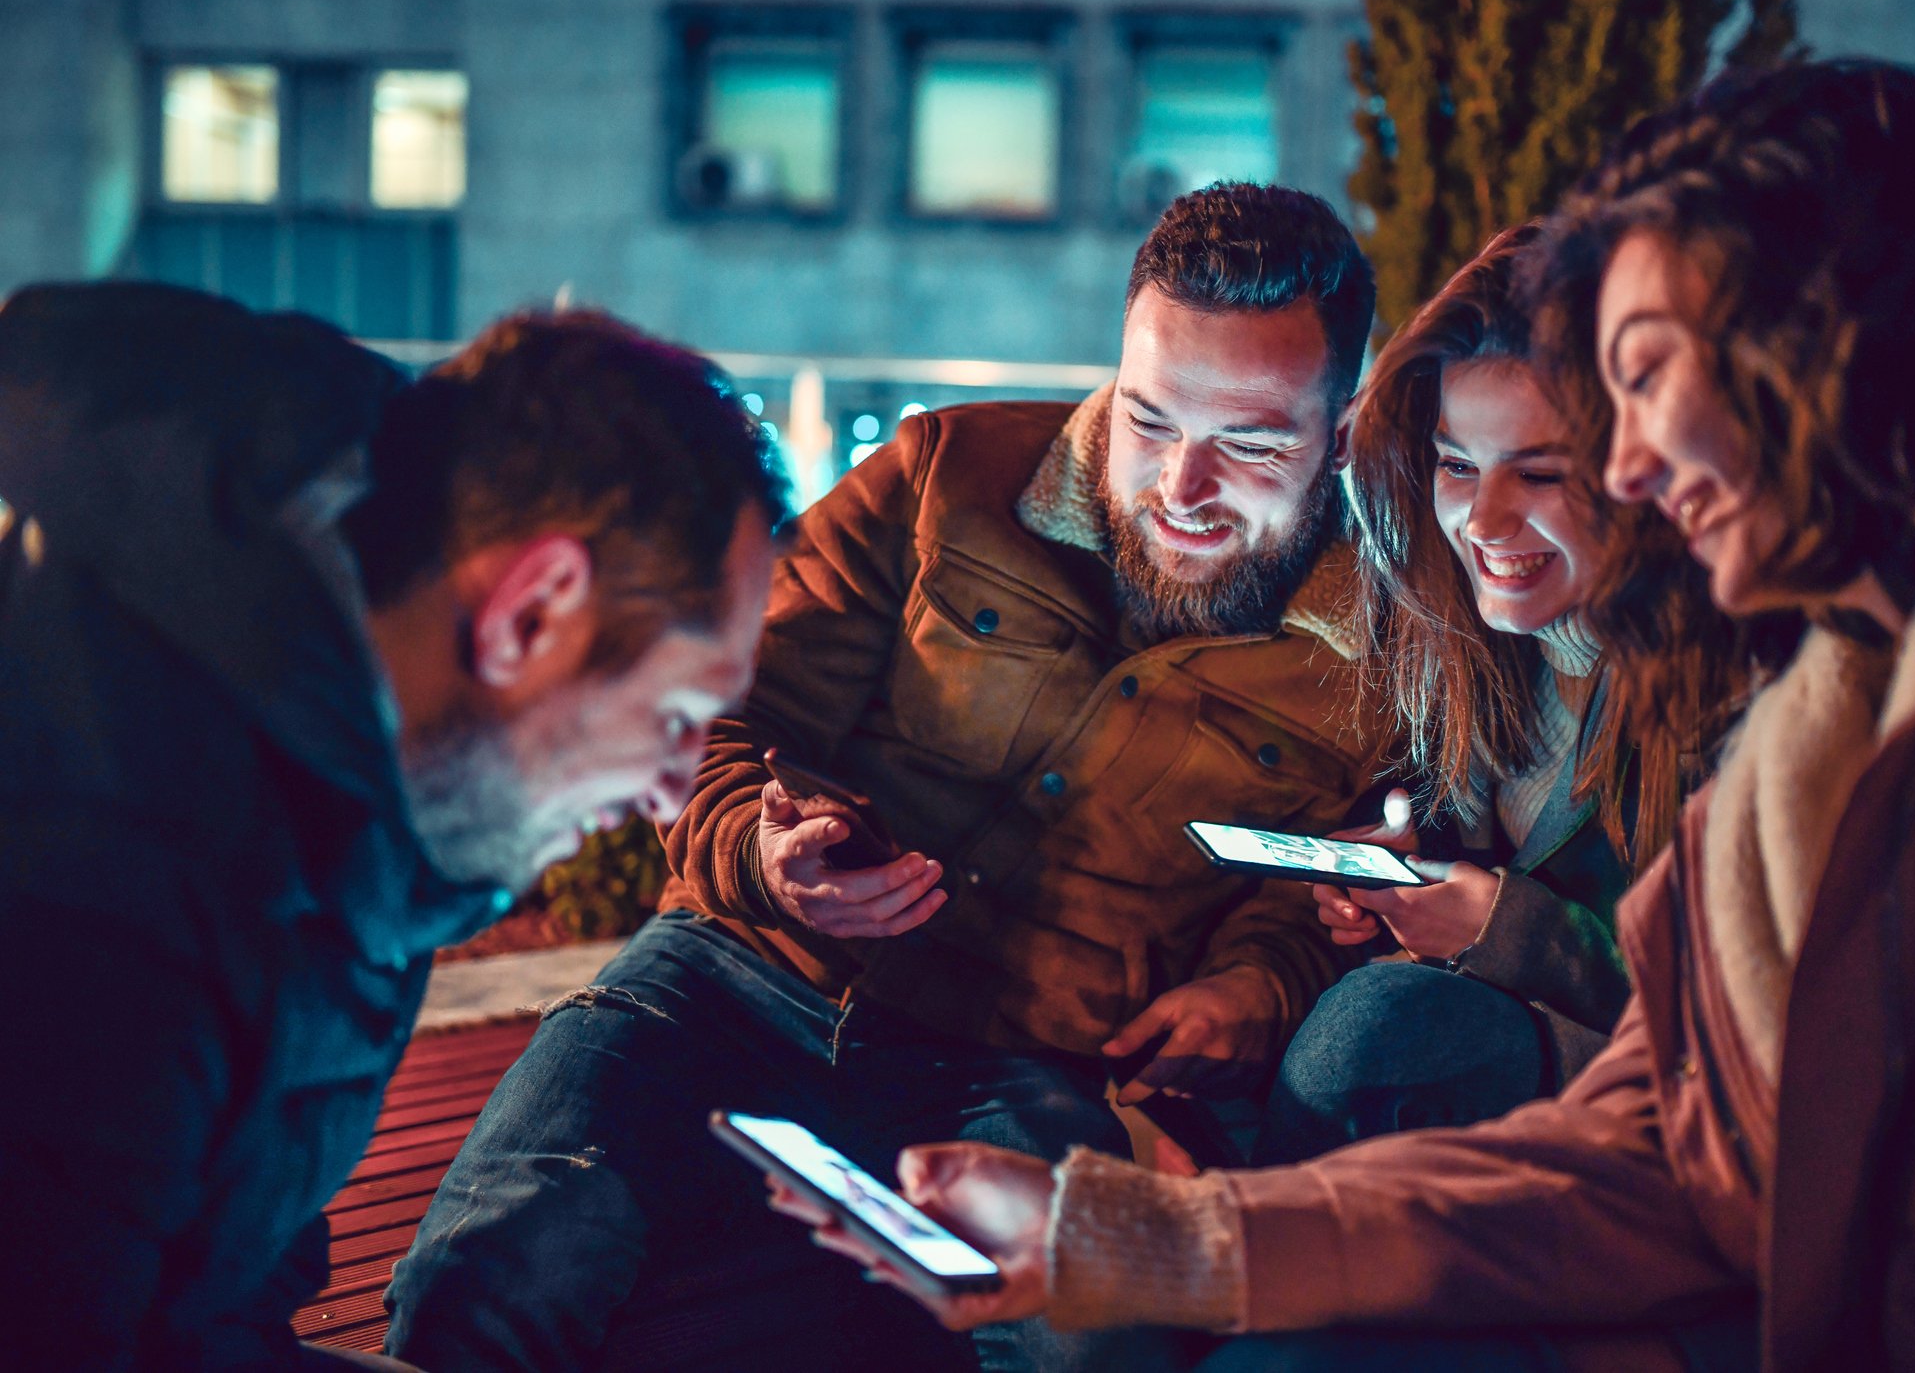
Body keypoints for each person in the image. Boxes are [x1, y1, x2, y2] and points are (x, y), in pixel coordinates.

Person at [782, 60, 1915, 1372]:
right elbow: (1651, 1141)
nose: (1637, 462)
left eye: (1646, 382)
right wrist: (1139, 1235)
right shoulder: (1813, 725)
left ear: (1849, 349)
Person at [384, 182, 1398, 1373]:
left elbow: (1318, 895)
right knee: (497, 1261)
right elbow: (719, 713)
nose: (1183, 488)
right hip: (732, 975)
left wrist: (1254, 990)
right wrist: (764, 858)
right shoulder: (941, 472)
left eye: (1251, 442)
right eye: (1152, 421)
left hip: (1026, 1059)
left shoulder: (1378, 655)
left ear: (1340, 436)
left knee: (1105, 1345)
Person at [0, 288, 785, 1369]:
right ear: (534, 613)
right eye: (675, 716)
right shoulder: (114, 907)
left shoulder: (375, 770)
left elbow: (217, 1283)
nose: (670, 792)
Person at [1255, 225, 1755, 1162]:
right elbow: (1459, 846)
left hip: (1673, 1113)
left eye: (1539, 473)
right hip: (1504, 1092)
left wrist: (1504, 931)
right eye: (1455, 465)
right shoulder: (1463, 645)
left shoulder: (1745, 687)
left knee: (1385, 1034)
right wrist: (1406, 865)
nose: (1480, 520)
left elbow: (1753, 1026)